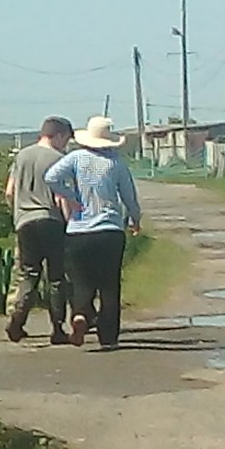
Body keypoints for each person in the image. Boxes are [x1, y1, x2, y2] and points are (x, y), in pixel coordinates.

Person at [44, 116, 142, 351]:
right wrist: (135, 219)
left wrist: (69, 196)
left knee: (81, 281)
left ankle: (80, 314)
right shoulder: (116, 164)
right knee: (109, 284)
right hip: (110, 231)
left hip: (79, 231)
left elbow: (51, 177)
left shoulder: (75, 158)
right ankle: (108, 337)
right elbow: (129, 197)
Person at [3, 116, 74, 345]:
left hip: (24, 221)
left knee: (28, 273)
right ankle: (58, 329)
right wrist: (70, 223)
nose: (65, 145)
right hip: (50, 220)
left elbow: (9, 192)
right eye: (66, 139)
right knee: (56, 277)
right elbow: (61, 197)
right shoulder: (59, 159)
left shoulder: (21, 155)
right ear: (59, 135)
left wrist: (17, 213)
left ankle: (17, 319)